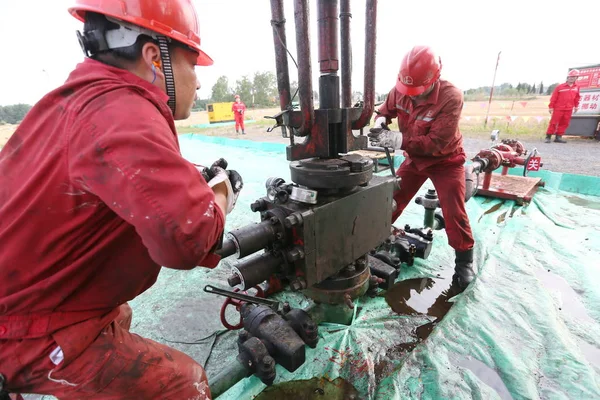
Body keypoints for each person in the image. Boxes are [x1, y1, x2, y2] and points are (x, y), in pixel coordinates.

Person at [0, 1, 243, 399]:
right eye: (192, 64)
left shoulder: (75, 102)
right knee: (184, 384)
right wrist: (220, 196)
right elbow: (187, 240)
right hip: (23, 329)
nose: (198, 84)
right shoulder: (120, 110)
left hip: (26, 300)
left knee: (120, 313)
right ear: (154, 57)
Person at [369, 45, 475, 290]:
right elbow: (386, 110)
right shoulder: (401, 90)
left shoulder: (451, 97)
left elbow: (436, 143)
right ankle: (373, 241)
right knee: (391, 199)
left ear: (435, 79)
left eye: (417, 91)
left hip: (445, 161)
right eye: (408, 90)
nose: (412, 96)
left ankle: (464, 262)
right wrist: (381, 118)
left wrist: (398, 140)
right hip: (415, 159)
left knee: (454, 212)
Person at [545, 69, 581, 143]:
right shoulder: (560, 87)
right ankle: (548, 137)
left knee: (564, 123)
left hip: (569, 108)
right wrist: (551, 107)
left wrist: (576, 106)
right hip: (558, 108)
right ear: (567, 77)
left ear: (576, 78)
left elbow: (577, 97)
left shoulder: (576, 87)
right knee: (553, 122)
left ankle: (558, 137)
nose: (571, 78)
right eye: (570, 77)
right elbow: (554, 97)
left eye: (574, 77)